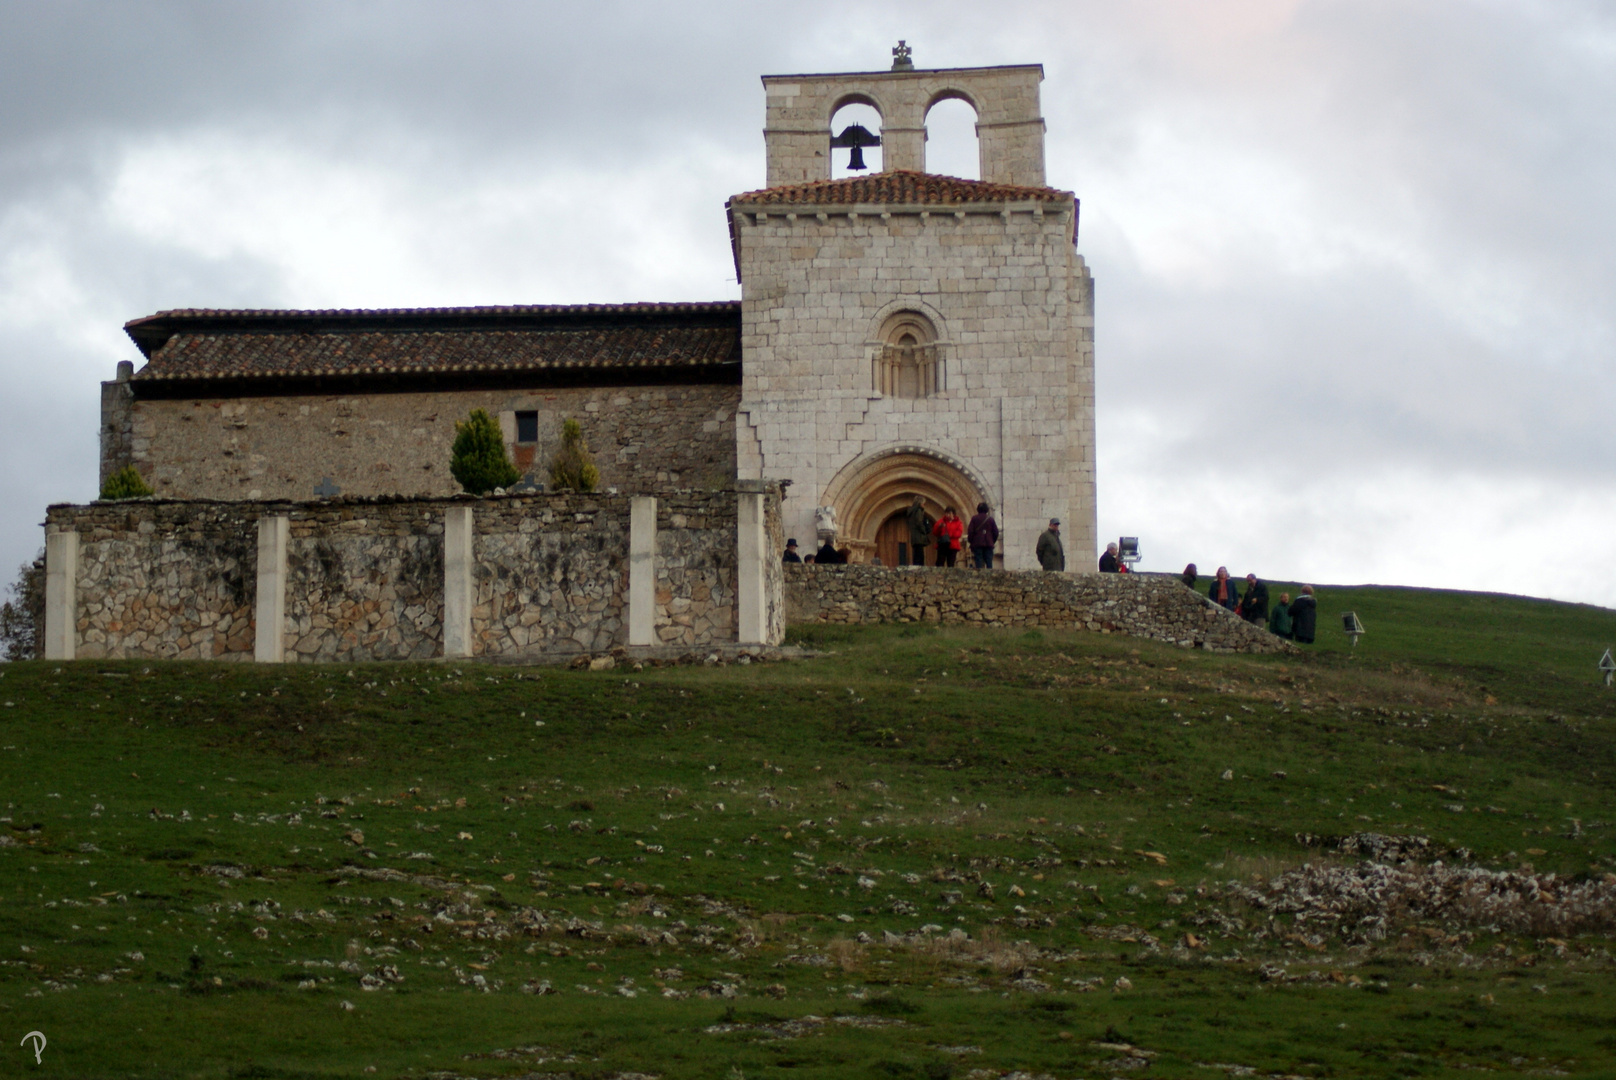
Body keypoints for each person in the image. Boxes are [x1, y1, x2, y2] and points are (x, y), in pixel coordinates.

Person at [966, 502, 999, 569]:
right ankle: (990, 577)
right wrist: (992, 541)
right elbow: (996, 532)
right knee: (989, 562)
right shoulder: (990, 519)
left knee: (978, 561)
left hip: (977, 543)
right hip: (988, 543)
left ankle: (979, 577)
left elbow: (970, 531)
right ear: (987, 509)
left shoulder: (974, 519)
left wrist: (971, 541)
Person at [905, 496, 934, 567]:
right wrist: (924, 530)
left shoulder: (912, 512)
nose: (924, 505)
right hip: (919, 536)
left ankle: (916, 566)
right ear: (920, 503)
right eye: (923, 504)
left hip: (914, 536)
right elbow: (919, 522)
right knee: (920, 554)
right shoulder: (918, 511)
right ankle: (920, 569)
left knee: (916, 553)